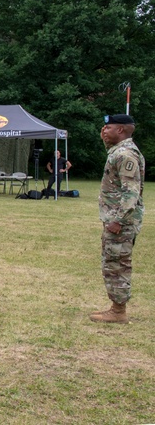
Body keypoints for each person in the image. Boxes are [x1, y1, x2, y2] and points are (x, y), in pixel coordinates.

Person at [91, 114, 145, 323]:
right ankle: (116, 307)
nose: (104, 130)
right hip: (117, 220)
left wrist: (118, 220)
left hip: (120, 223)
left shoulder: (124, 154)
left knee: (117, 264)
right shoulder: (118, 151)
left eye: (108, 127)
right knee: (112, 262)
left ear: (121, 130)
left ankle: (118, 311)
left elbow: (131, 193)